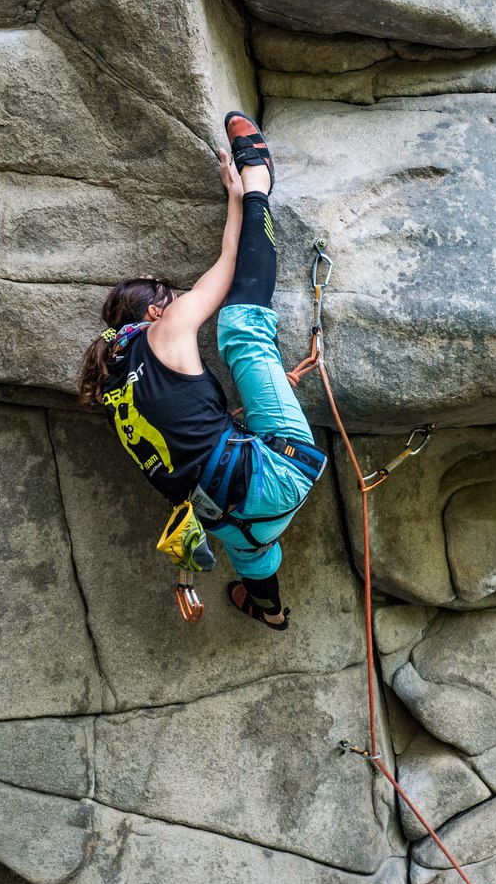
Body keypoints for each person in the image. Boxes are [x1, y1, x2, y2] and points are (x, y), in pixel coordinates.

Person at [77, 112, 327, 631]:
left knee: (251, 541)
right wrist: (241, 197)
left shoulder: (113, 390)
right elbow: (229, 266)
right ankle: (263, 180)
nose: (179, 301)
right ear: (154, 312)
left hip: (230, 523)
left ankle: (271, 610)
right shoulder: (162, 332)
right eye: (171, 295)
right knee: (240, 330)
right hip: (281, 472)